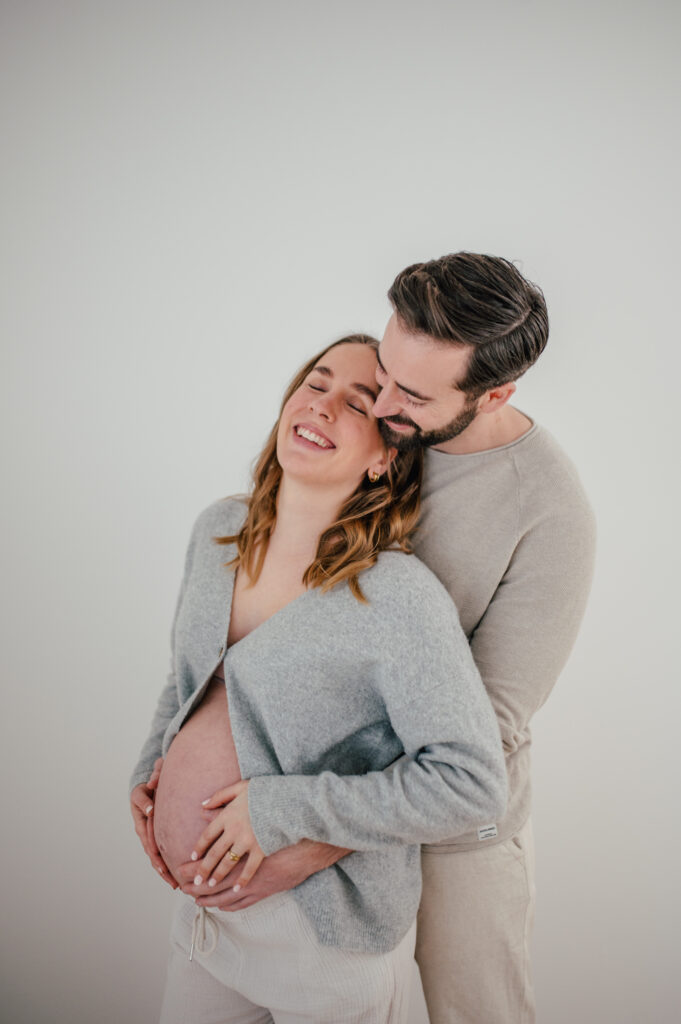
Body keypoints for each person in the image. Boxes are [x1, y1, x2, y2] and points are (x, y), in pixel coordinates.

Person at [153, 254, 595, 1024]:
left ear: (493, 395)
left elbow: (485, 731)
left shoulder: (548, 514)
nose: (383, 403)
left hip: (452, 833)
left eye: (411, 395)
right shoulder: (382, 424)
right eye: (383, 372)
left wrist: (315, 834)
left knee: (476, 1012)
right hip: (321, 795)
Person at [130, 335, 507, 1023]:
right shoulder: (218, 531)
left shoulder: (395, 596)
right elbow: (187, 682)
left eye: (357, 405)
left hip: (324, 939)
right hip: (208, 926)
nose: (321, 406)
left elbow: (470, 783)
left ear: (383, 457)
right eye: (316, 381)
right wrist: (151, 768)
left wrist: (281, 810)